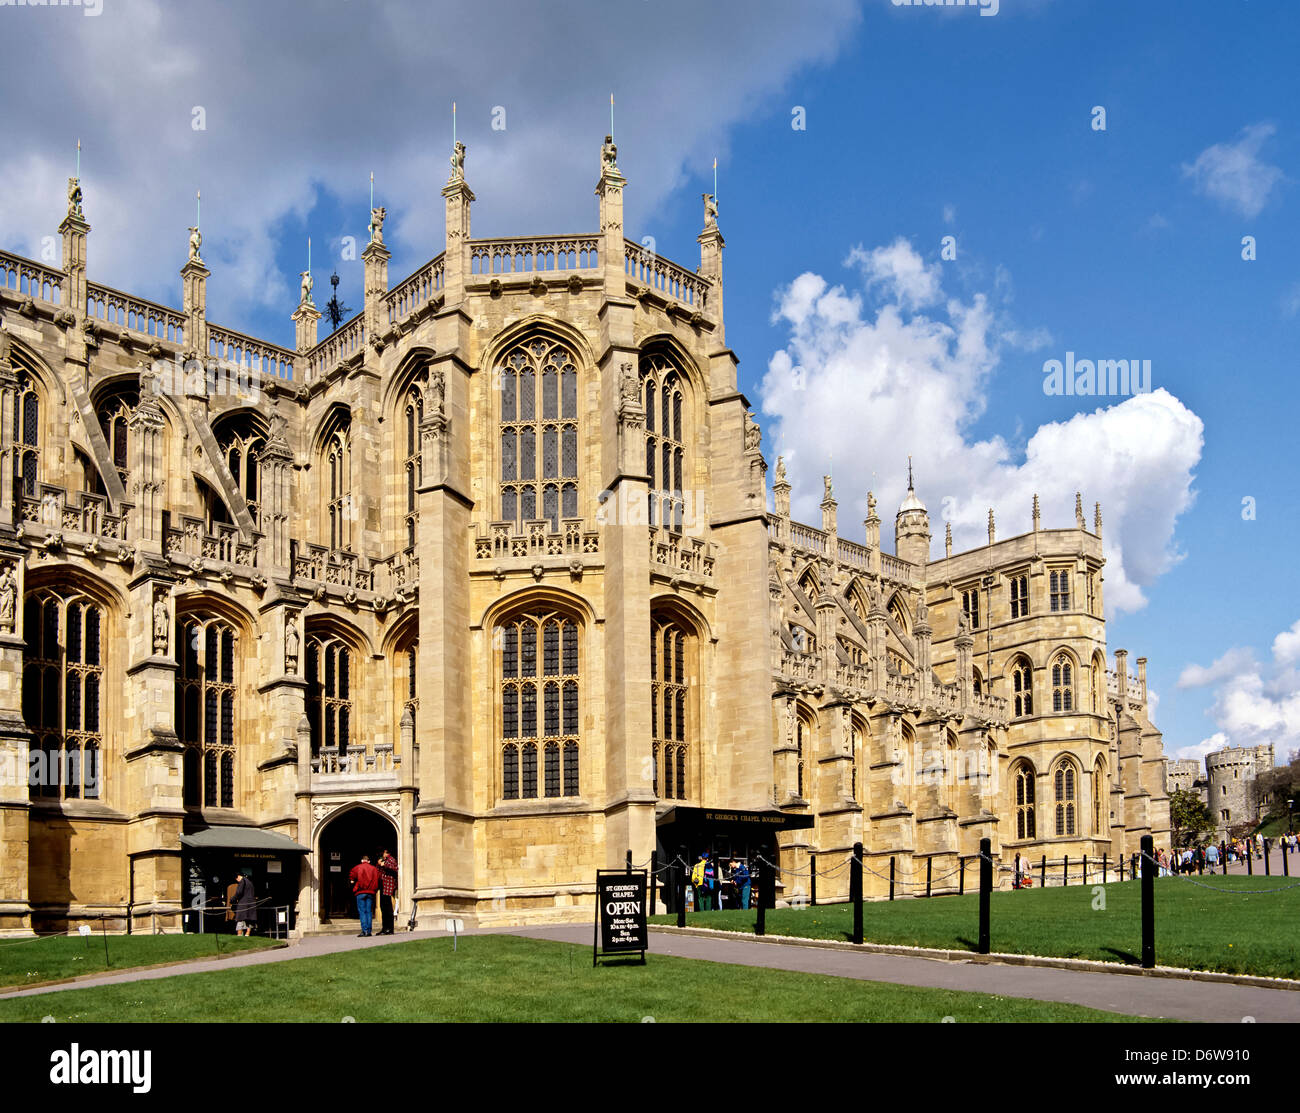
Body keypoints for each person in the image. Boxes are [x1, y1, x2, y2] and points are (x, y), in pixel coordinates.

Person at [349, 854, 381, 937]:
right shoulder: (374, 869)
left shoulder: (357, 867)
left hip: (360, 892)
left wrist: (353, 881)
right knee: (369, 911)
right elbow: (378, 878)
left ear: (362, 861)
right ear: (369, 861)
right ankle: (369, 931)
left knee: (362, 912)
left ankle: (364, 930)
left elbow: (352, 877)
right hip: (370, 892)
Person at [377, 849, 398, 935]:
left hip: (388, 886)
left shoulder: (391, 859)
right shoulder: (385, 860)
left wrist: (384, 864)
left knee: (388, 908)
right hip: (383, 885)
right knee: (383, 907)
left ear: (386, 852)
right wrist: (379, 864)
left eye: (383, 853)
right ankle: (384, 928)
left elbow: (395, 868)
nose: (382, 854)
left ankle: (390, 929)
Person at [232, 869, 256, 936]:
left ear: (238, 876)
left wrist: (232, 900)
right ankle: (247, 934)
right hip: (251, 904)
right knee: (249, 920)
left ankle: (239, 935)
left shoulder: (242, 881)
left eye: (236, 879)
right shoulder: (250, 882)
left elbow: (238, 893)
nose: (237, 880)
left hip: (243, 904)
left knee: (240, 920)